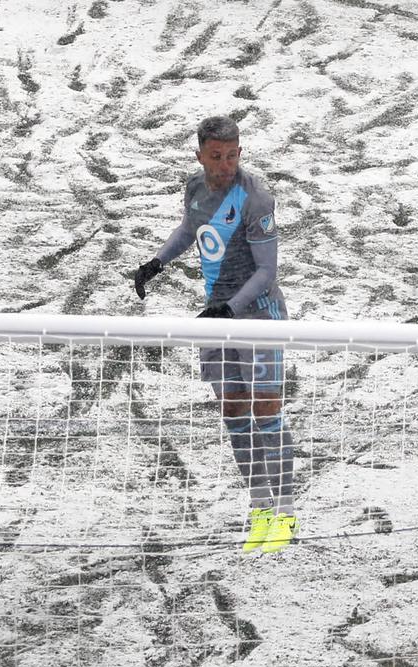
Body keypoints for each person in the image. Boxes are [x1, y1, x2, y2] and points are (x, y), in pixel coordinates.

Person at [133, 115, 298, 555]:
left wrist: (228, 307)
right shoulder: (195, 189)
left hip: (258, 317)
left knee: (266, 411)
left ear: (240, 152)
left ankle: (285, 511)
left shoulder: (256, 198)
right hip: (218, 319)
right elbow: (190, 230)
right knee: (234, 412)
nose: (225, 165)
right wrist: (157, 263)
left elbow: (267, 271)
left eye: (232, 155)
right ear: (200, 155)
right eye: (216, 156)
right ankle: (260, 508)